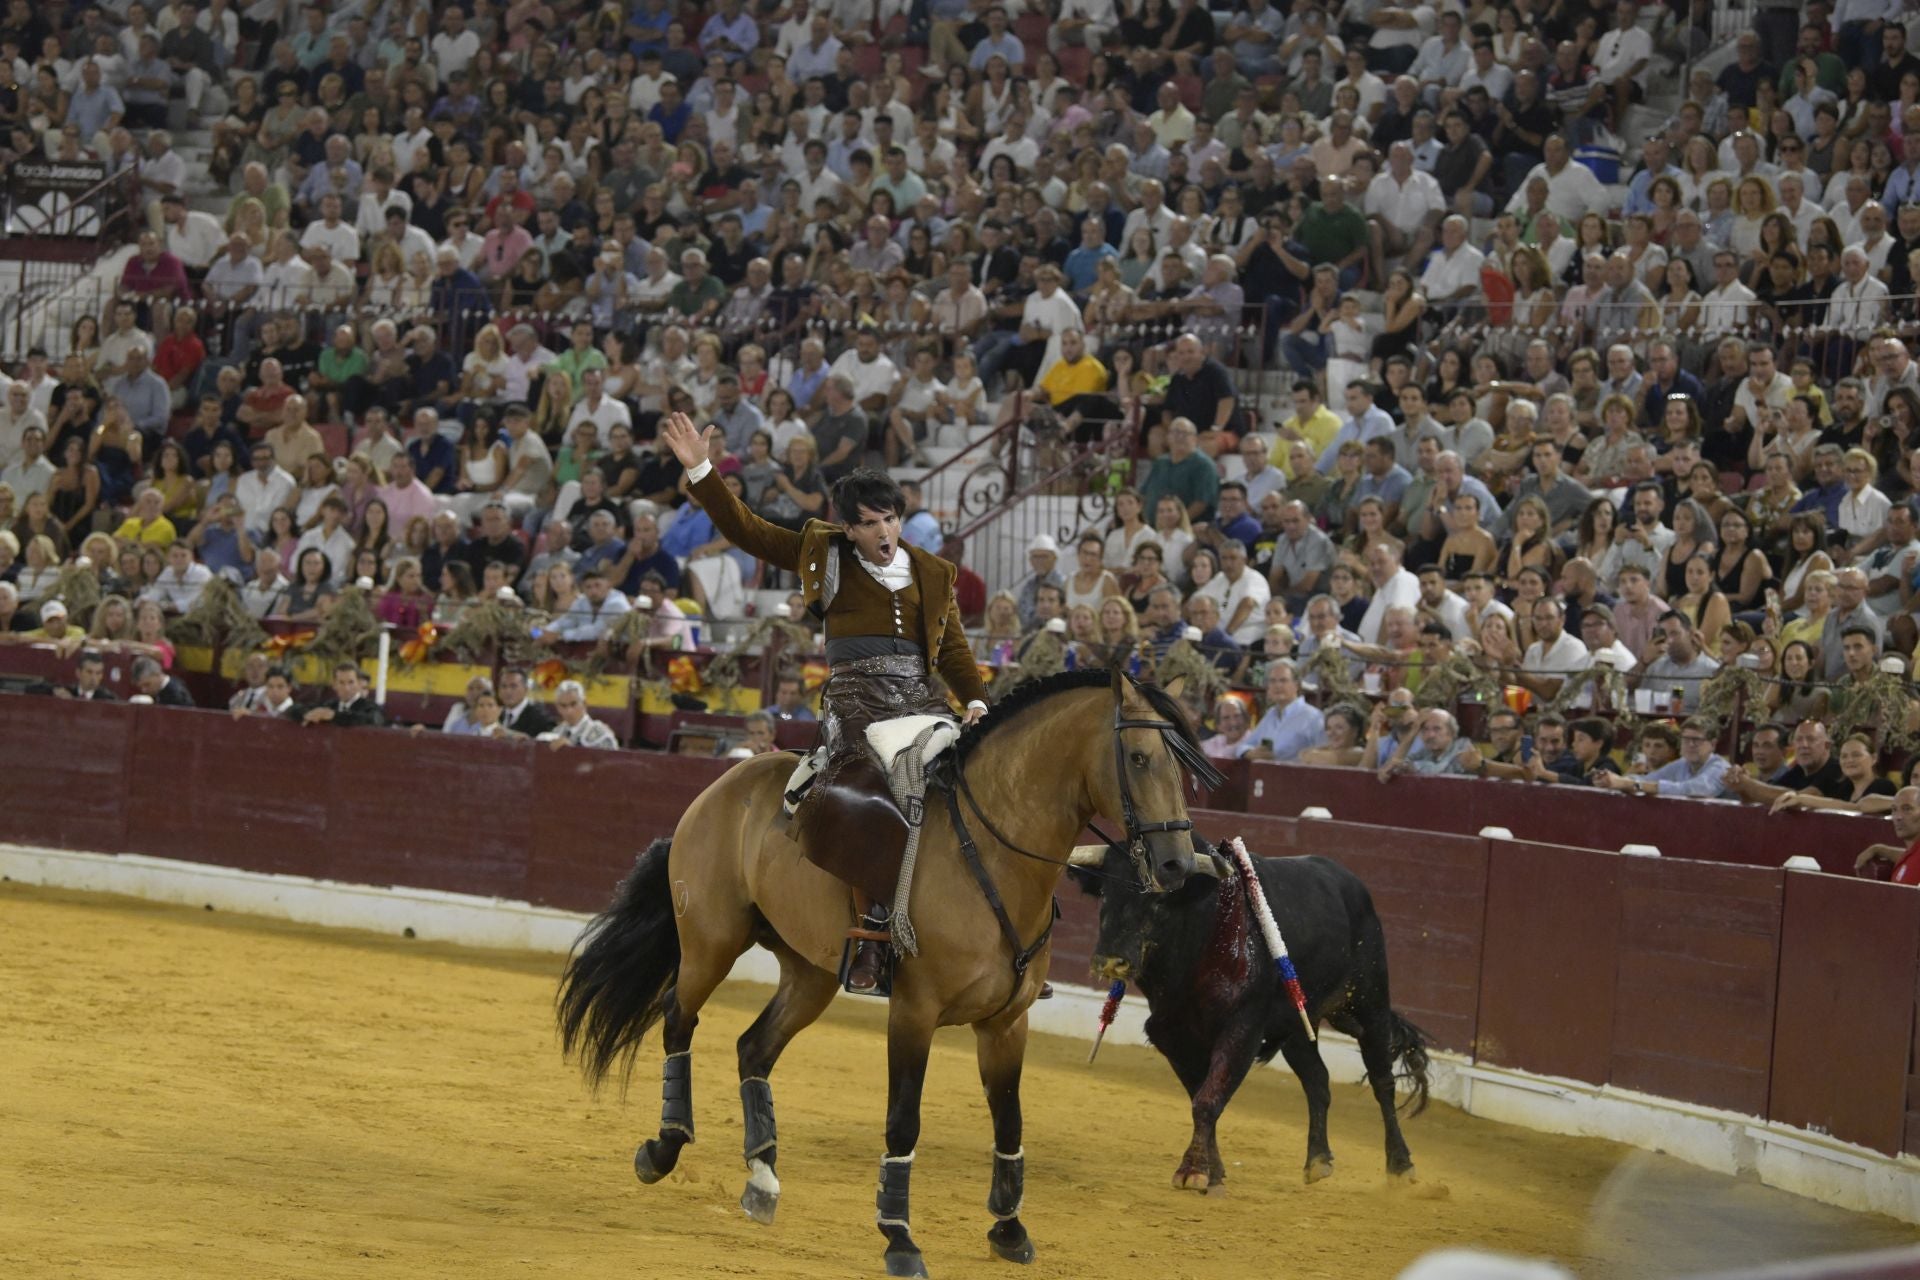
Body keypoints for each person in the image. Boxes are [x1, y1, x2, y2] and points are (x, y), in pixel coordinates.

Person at [658, 410, 987, 995]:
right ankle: (870, 935)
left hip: (925, 702)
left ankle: (988, 933)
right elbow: (748, 529)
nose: (883, 533)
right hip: (856, 702)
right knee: (874, 795)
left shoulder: (934, 572)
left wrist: (979, 701)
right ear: (849, 528)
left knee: (980, 789)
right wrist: (703, 471)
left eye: (890, 519)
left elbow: (953, 650)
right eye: (868, 523)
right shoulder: (824, 553)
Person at [1596, 716, 1730, 797]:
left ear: (1712, 744)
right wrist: (1615, 780)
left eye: (1696, 740)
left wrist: (1628, 784)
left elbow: (1695, 789)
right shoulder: (1683, 764)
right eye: (1685, 739)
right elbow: (1648, 779)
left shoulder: (1719, 766)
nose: (1690, 745)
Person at [1239, 659, 1325, 761]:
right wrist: (1250, 753)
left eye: (1283, 680)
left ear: (1296, 685)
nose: (1277, 685)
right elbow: (1243, 747)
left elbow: (1326, 754)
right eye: (1272, 681)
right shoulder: (1270, 715)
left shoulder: (1313, 717)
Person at [1853, 788, 1920, 883]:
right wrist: (1879, 849)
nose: (1898, 817)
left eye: (1907, 809)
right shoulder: (1911, 854)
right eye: (1894, 810)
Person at [291, 662, 388, 727]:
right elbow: (294, 709)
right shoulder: (329, 705)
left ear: (358, 684)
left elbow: (374, 719)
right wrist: (307, 714)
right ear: (334, 685)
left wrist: (334, 716)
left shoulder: (369, 706)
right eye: (341, 683)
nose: (346, 688)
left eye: (351, 682)